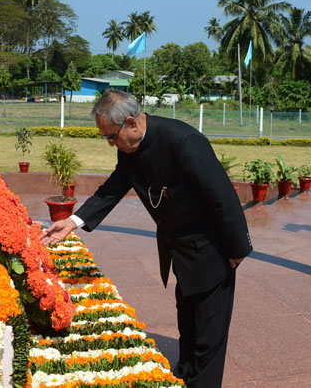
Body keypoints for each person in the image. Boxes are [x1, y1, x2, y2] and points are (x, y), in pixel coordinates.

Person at [39, 90, 252, 387]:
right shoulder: (129, 150)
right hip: (180, 248)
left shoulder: (184, 142)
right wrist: (72, 222)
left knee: (209, 336)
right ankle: (183, 375)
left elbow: (222, 198)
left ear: (131, 123)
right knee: (188, 323)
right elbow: (113, 187)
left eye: (111, 136)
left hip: (211, 250)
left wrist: (236, 251)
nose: (111, 143)